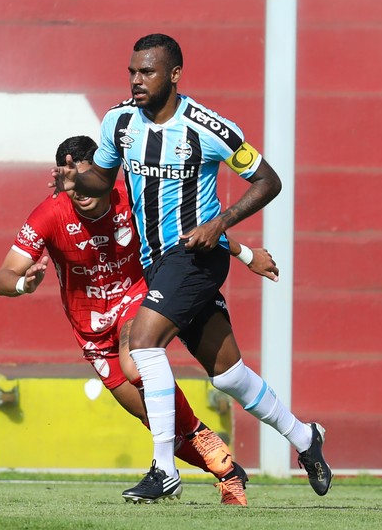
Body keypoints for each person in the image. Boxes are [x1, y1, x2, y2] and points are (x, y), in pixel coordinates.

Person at [51, 33, 332, 503]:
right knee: (228, 375)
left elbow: (268, 180)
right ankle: (305, 439)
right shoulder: (119, 123)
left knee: (142, 343)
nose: (137, 81)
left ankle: (164, 469)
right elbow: (103, 177)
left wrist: (220, 223)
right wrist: (75, 178)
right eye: (132, 72)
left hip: (197, 256)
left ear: (175, 74)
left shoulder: (208, 127)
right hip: (158, 261)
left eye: (148, 72)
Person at [0, 134, 279, 505]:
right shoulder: (49, 214)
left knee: (136, 365)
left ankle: (174, 472)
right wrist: (23, 283)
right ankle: (226, 471)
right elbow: (3, 277)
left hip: (137, 300)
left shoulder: (132, 197)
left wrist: (244, 254)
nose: (79, 190)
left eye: (86, 178)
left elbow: (192, 232)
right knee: (159, 421)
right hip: (91, 332)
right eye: (71, 181)